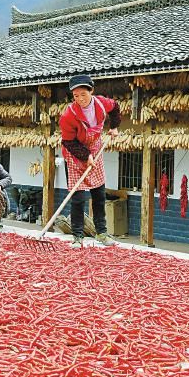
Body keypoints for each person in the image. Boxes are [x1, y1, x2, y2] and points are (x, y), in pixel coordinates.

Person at [59, 74, 121, 248]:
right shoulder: (68, 115)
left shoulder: (101, 103)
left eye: (83, 95)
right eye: (76, 96)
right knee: (78, 198)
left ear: (91, 91)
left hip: (95, 148)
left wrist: (114, 127)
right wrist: (85, 156)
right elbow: (68, 141)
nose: (80, 99)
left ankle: (101, 233)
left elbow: (115, 108)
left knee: (99, 195)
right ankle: (77, 236)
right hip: (75, 153)